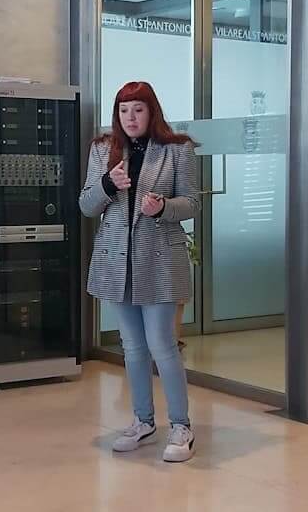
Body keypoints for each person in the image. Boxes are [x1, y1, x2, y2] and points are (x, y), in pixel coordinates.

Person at [80, 81, 199, 463]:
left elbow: (192, 203)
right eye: (124, 110)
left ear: (152, 112)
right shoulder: (103, 149)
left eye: (138, 109)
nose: (130, 117)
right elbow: (86, 206)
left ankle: (181, 426)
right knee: (131, 346)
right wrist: (106, 184)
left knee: (162, 343)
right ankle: (143, 421)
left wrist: (163, 208)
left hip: (159, 259)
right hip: (118, 261)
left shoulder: (177, 149)